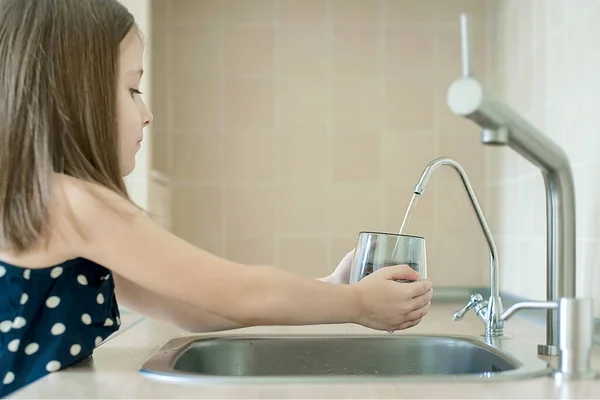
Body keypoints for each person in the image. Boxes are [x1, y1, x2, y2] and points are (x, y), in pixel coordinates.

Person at [0, 0, 433, 396]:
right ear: (75, 96)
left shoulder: (49, 203)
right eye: (133, 90)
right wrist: (356, 304)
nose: (147, 114)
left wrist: (331, 288)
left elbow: (192, 307)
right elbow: (240, 292)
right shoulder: (74, 205)